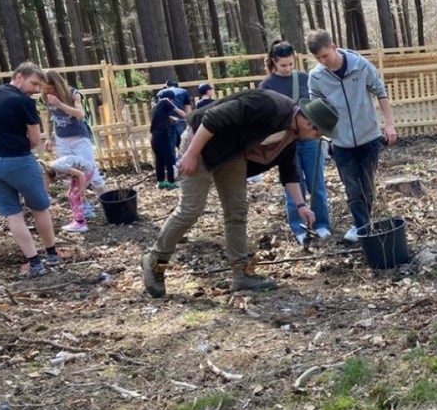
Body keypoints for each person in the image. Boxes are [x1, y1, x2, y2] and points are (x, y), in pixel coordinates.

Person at [140, 89, 339, 297]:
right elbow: (213, 117)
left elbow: (289, 170)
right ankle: (155, 261)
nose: (317, 138)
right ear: (308, 122)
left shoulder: (292, 133)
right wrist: (191, 153)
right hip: (201, 142)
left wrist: (301, 206)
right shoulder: (268, 105)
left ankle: (241, 273)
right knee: (190, 210)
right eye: (318, 133)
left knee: (237, 210)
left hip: (232, 153)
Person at [306, 29, 398, 243]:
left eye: (325, 55)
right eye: (318, 58)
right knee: (352, 188)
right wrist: (321, 132)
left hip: (369, 137)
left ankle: (363, 224)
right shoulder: (316, 77)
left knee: (367, 185)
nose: (323, 61)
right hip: (341, 141)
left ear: (333, 47)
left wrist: (390, 124)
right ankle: (362, 228)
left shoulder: (360, 66)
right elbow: (316, 108)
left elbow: (380, 92)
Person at [0, 62, 61, 276]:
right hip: (19, 160)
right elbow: (34, 139)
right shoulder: (24, 102)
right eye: (34, 83)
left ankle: (34, 263)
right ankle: (51, 254)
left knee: (13, 215)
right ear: (19, 77)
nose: (35, 90)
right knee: (39, 207)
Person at [260, 40, 332, 244]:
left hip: (309, 140)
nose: (288, 68)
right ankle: (299, 227)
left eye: (291, 64)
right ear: (274, 62)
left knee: (316, 183)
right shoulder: (267, 85)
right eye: (283, 65)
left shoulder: (303, 78)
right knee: (293, 184)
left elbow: (316, 104)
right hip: (285, 143)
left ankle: (321, 224)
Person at [42, 70, 106, 215]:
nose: (48, 91)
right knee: (68, 175)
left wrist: (60, 104)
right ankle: (83, 207)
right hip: (61, 139)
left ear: (57, 85)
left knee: (90, 170)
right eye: (45, 89)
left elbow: (80, 115)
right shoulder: (46, 97)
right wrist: (48, 137)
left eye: (50, 88)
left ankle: (106, 200)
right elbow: (49, 118)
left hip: (78, 138)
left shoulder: (72, 93)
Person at [41, 155, 94, 233]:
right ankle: (85, 212)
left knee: (74, 196)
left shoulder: (58, 167)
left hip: (86, 172)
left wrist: (82, 192)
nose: (47, 182)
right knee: (70, 194)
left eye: (46, 180)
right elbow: (46, 184)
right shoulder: (51, 170)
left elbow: (81, 175)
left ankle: (80, 223)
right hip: (78, 175)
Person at [149, 89, 184, 189]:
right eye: (172, 100)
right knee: (169, 159)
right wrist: (190, 117)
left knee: (159, 160)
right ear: (171, 99)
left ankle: (161, 182)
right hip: (164, 136)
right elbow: (180, 112)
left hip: (154, 137)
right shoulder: (165, 101)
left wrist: (171, 119)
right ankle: (171, 182)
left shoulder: (155, 107)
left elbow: (160, 119)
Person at [160, 80, 192, 156]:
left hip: (166, 121)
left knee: (170, 144)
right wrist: (189, 119)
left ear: (167, 85)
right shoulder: (183, 91)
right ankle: (183, 158)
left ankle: (172, 163)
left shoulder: (160, 93)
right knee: (183, 142)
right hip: (180, 120)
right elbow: (187, 107)